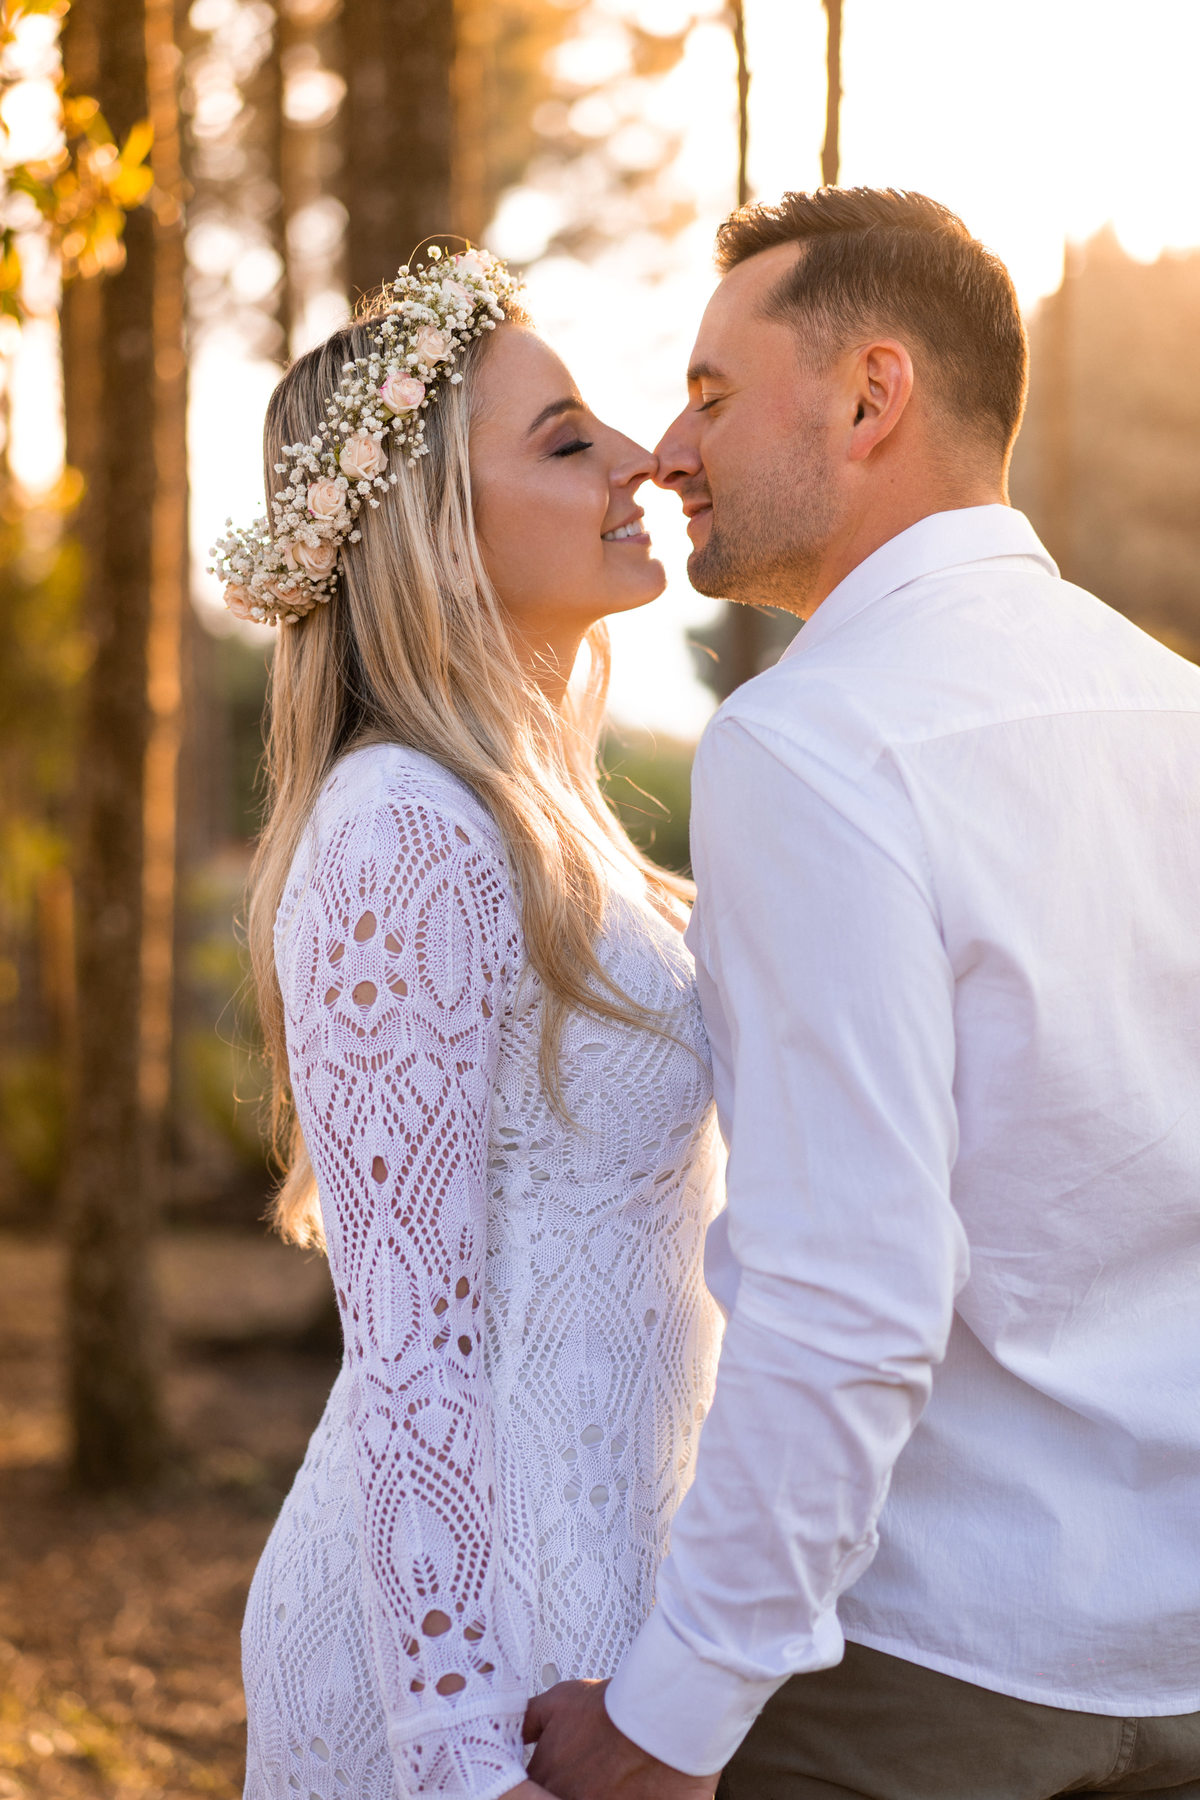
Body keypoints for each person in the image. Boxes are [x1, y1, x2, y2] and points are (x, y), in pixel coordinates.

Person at [526, 189, 1200, 1799]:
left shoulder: (814, 746)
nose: (669, 453)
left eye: (710, 392)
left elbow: (849, 1295)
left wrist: (668, 1722)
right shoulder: (1177, 711)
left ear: (871, 396)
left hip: (929, 1680)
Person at [219, 249, 724, 1800]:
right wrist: (454, 1753)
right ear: (433, 528)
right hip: (471, 1666)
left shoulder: (541, 825)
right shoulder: (398, 832)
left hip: (603, 1598)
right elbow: (409, 1348)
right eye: (567, 441)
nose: (642, 459)